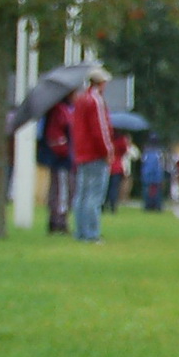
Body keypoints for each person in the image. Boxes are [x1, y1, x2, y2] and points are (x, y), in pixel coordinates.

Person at [70, 67, 118, 244]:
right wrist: (108, 151)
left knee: (81, 194)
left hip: (82, 153)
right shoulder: (95, 101)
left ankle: (80, 231)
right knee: (94, 195)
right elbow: (101, 129)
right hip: (95, 154)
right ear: (102, 83)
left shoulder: (81, 100)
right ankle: (92, 233)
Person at [40, 92, 76, 234]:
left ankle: (57, 219)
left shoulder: (61, 109)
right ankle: (59, 222)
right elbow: (58, 132)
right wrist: (65, 150)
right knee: (63, 189)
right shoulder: (60, 110)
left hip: (61, 157)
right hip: (61, 159)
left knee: (59, 188)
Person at [140, 135, 167, 212]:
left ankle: (147, 205)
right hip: (157, 174)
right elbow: (162, 165)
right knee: (157, 191)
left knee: (147, 190)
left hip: (147, 174)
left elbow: (144, 163)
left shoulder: (146, 152)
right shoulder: (159, 152)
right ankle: (157, 206)